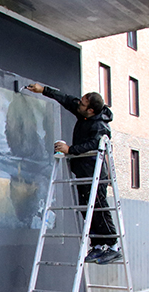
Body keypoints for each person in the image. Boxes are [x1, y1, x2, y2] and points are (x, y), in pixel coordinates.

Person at [27, 83, 120, 265]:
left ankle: (113, 245)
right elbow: (67, 100)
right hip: (83, 172)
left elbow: (94, 144)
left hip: (95, 173)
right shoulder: (85, 114)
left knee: (99, 209)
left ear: (91, 110)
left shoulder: (99, 125)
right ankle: (98, 244)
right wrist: (44, 90)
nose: (79, 104)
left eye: (83, 103)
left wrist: (70, 149)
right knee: (86, 209)